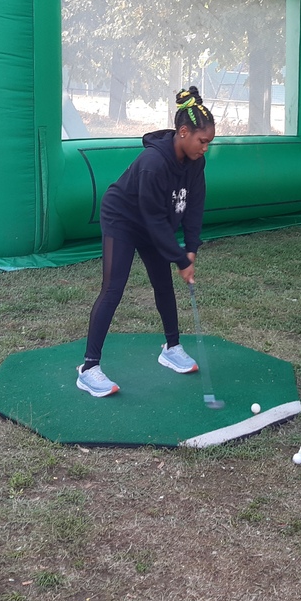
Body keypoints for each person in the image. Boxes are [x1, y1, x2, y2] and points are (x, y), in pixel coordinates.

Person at [77, 86, 216, 397]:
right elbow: (153, 220)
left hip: (154, 222)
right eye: (202, 141)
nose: (205, 148)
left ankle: (172, 348)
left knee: (163, 284)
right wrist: (179, 258)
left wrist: (191, 249)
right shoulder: (154, 163)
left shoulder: (196, 163)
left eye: (209, 142)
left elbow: (194, 206)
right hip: (123, 219)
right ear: (183, 132)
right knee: (113, 289)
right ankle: (89, 369)